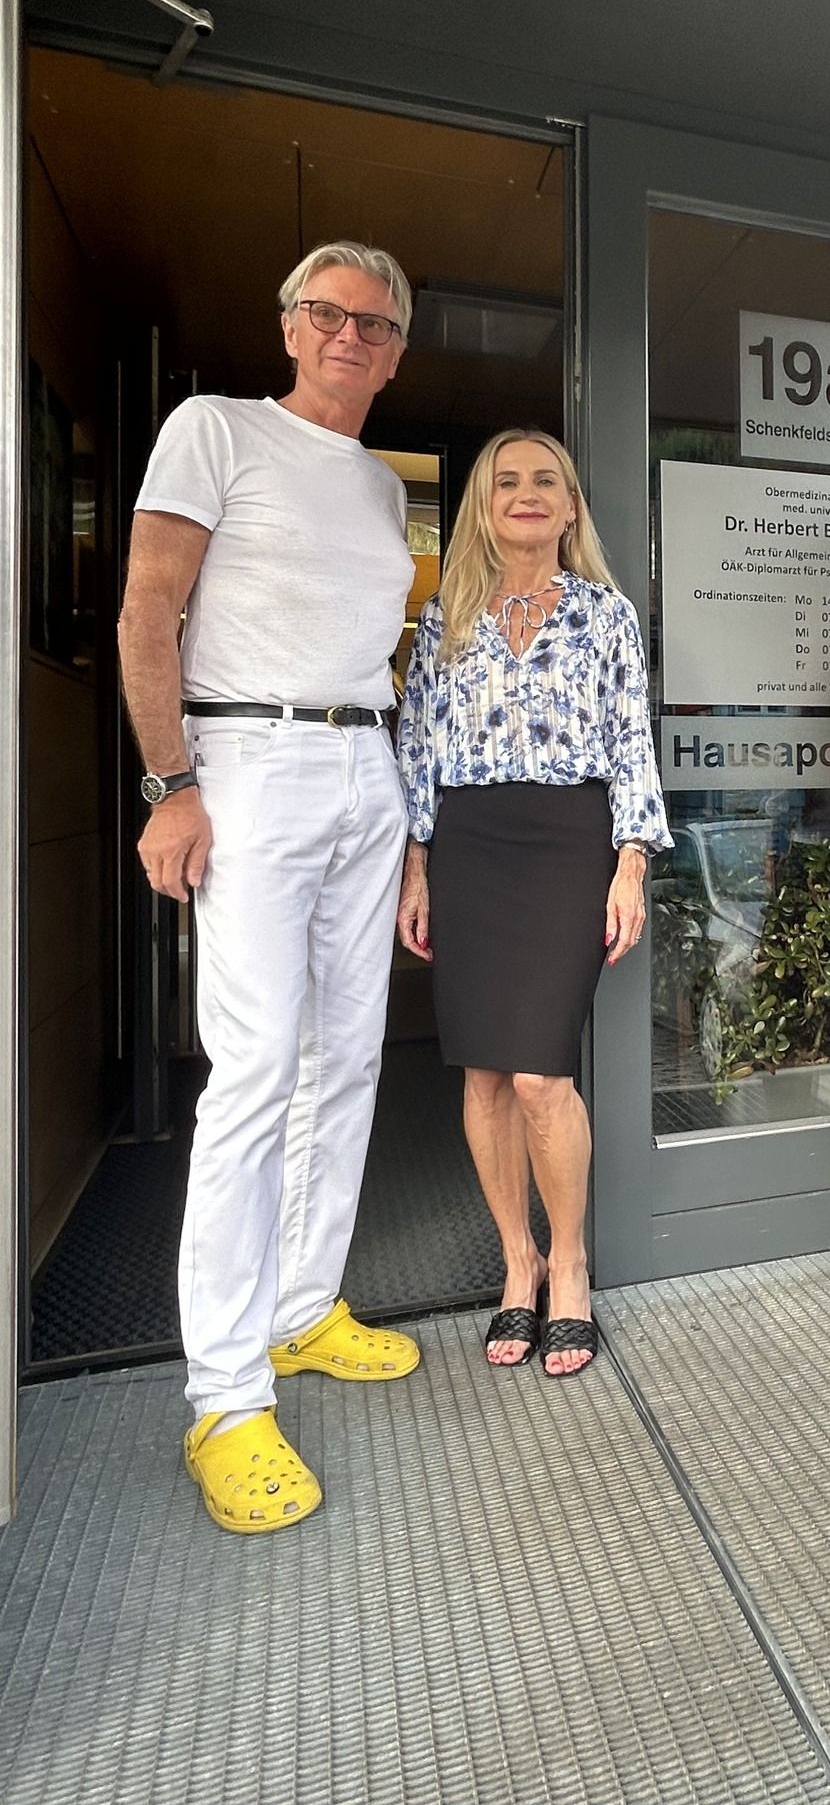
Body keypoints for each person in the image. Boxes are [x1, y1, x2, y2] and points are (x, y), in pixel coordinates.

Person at [120, 242, 421, 1535]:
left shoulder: (373, 485)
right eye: (330, 313)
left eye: (376, 322)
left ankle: (303, 1311)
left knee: (346, 1059)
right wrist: (167, 782)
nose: (352, 334)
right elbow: (147, 610)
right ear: (291, 325)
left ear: (397, 351)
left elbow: (377, 649)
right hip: (246, 758)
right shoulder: (215, 429)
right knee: (252, 1071)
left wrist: (405, 821)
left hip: (367, 763)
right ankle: (225, 1399)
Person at [395, 429, 669, 1377]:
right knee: (482, 1074)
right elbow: (418, 747)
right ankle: (520, 1265)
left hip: (567, 844)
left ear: (569, 506)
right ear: (482, 504)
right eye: (505, 481)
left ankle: (574, 1269)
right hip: (468, 844)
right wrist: (416, 863)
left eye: (543, 480)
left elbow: (633, 742)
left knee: (542, 1074)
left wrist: (630, 863)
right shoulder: (446, 618)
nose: (524, 493)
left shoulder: (606, 615)